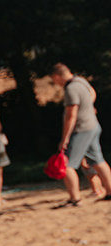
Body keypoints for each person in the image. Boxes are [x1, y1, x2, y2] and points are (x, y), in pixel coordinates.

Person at [51, 63, 111, 206]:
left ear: (57, 76)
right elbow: (92, 92)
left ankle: (75, 199)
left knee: (67, 165)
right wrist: (89, 106)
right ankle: (109, 191)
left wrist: (65, 138)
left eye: (54, 80)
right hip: (94, 126)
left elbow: (71, 115)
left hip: (82, 129)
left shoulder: (71, 89)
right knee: (98, 160)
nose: (55, 83)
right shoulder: (81, 81)